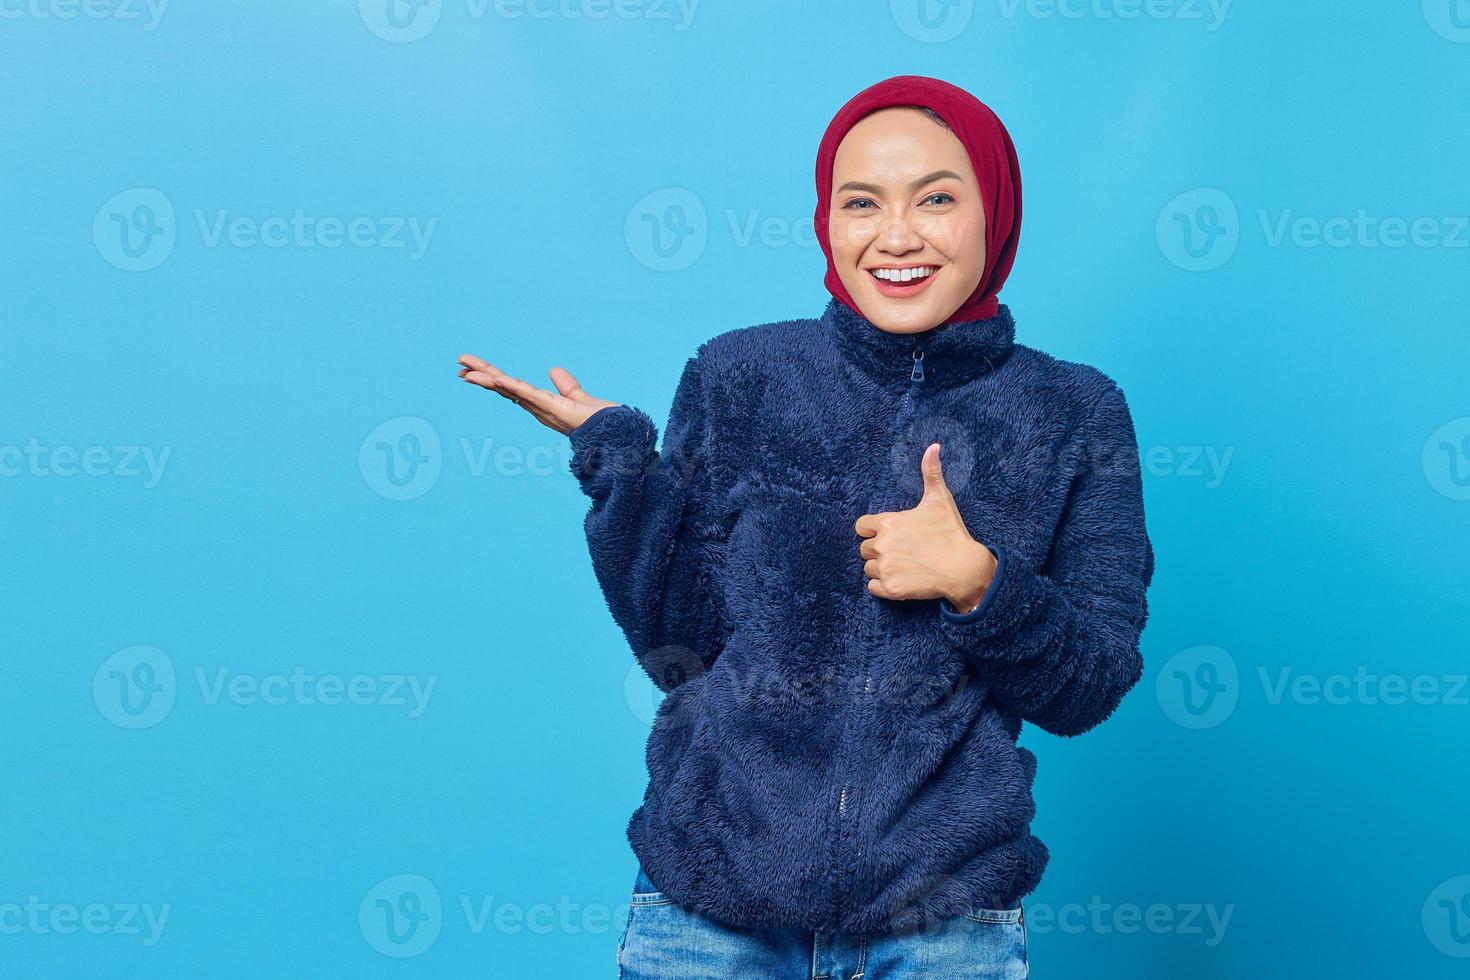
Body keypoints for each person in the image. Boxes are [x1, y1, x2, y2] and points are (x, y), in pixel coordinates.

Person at [457, 74, 1154, 979]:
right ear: (827, 221)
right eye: (860, 202)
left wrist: (980, 584)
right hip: (708, 915)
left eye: (937, 198)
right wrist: (619, 465)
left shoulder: (1075, 410)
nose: (896, 236)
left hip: (944, 925)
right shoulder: (739, 374)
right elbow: (684, 643)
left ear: (997, 212)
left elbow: (1089, 687)